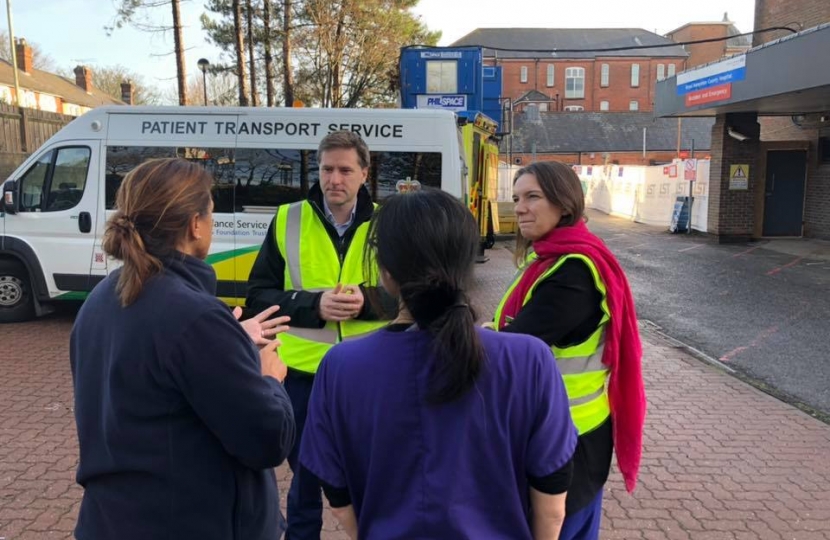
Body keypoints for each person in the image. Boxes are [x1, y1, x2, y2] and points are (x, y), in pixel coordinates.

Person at [299, 188, 578, 540]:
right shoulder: (530, 360)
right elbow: (551, 503)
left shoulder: (340, 366)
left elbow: (337, 494)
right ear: (465, 266)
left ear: (385, 271)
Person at [70, 158, 296, 540]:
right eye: (210, 212)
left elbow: (156, 372)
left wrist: (231, 341)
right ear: (195, 224)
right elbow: (266, 440)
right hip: (188, 523)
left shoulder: (103, 295)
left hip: (113, 520)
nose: (212, 222)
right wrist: (268, 378)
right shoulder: (194, 317)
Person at [246, 130, 394, 540]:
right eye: (327, 169)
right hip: (302, 376)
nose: (334, 179)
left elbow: (412, 296)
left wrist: (367, 302)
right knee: (306, 482)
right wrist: (314, 306)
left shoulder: (389, 223)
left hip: (368, 377)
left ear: (364, 173)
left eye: (345, 170)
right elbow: (259, 296)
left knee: (370, 478)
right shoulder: (288, 218)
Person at [492, 161, 646, 539]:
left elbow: (513, 349)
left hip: (568, 440)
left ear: (563, 204)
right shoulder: (552, 257)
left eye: (532, 197)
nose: (520, 207)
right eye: (516, 198)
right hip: (566, 432)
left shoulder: (572, 272)